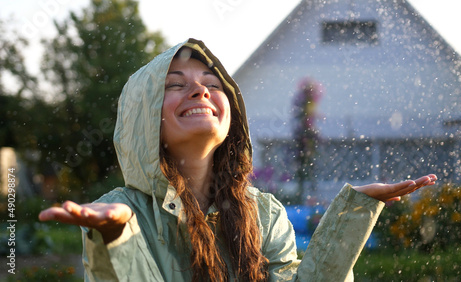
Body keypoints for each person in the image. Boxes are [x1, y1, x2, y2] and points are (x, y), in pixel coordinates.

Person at [39, 38, 437, 281]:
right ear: (144, 120)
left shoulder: (264, 213)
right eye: (176, 85)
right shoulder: (123, 212)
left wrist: (352, 213)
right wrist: (116, 238)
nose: (199, 91)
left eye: (213, 84)